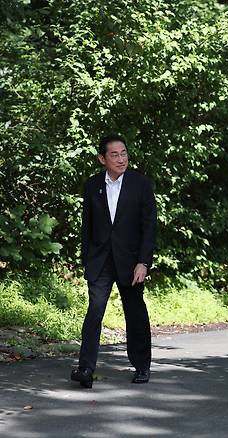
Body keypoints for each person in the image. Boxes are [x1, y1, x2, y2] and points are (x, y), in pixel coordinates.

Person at [71, 134, 157, 388]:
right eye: (115, 155)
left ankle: (142, 366)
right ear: (102, 159)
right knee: (95, 311)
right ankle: (86, 368)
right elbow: (87, 225)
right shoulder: (92, 185)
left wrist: (144, 262)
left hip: (130, 261)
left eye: (124, 154)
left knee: (135, 312)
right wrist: (87, 259)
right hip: (100, 261)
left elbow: (149, 226)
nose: (121, 159)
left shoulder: (140, 184)